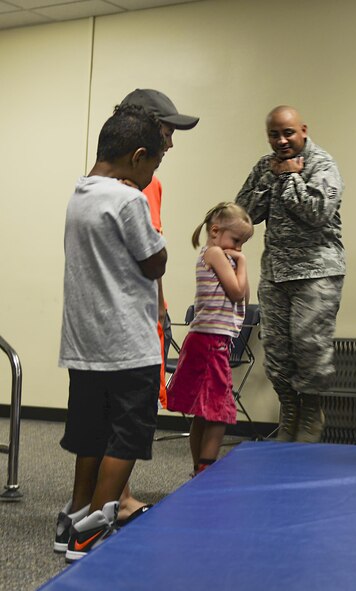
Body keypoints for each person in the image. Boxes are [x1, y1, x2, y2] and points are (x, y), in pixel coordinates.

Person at [55, 103, 167, 561]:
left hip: (84, 345)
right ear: (138, 156)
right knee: (127, 438)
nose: (152, 175)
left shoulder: (80, 192)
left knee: (90, 435)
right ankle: (94, 528)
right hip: (127, 347)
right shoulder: (129, 199)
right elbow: (153, 261)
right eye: (154, 164)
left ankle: (73, 518)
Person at [235, 105, 345, 443]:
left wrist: (290, 177)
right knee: (278, 351)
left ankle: (311, 413)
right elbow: (242, 216)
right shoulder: (264, 167)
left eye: (288, 133)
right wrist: (271, 179)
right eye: (274, 134)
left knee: (310, 348)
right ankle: (290, 411)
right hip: (276, 274)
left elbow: (318, 212)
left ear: (304, 130)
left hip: (317, 273)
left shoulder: (322, 164)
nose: (281, 140)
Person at [114, 88, 198, 525]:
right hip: (127, 309)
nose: (171, 141)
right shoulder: (135, 183)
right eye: (168, 130)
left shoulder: (147, 181)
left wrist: (161, 305)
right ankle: (118, 499)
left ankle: (113, 495)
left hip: (142, 304)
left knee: (126, 401)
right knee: (129, 402)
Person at [167, 203, 253, 476]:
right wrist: (243, 263)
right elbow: (238, 293)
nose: (238, 248)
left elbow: (244, 297)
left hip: (210, 341)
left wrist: (239, 263)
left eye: (243, 244)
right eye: (237, 240)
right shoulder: (215, 252)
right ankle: (206, 470)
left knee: (205, 413)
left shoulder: (223, 255)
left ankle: (199, 469)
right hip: (209, 342)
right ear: (216, 231)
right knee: (219, 412)